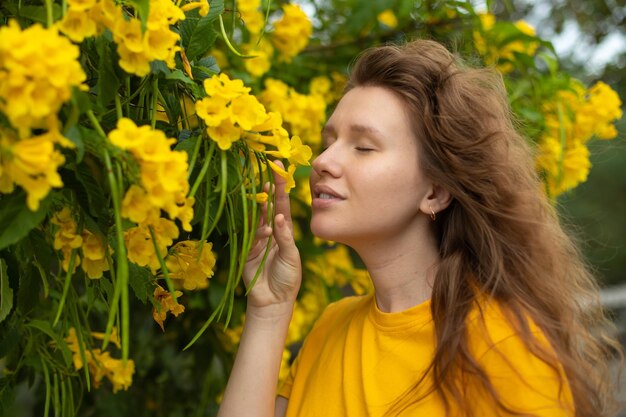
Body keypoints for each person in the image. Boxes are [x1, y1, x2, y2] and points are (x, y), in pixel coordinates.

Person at [216, 39, 620, 417]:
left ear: (436, 191)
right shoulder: (329, 328)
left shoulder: (504, 347)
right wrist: (268, 311)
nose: (323, 160)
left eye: (363, 147)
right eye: (329, 140)